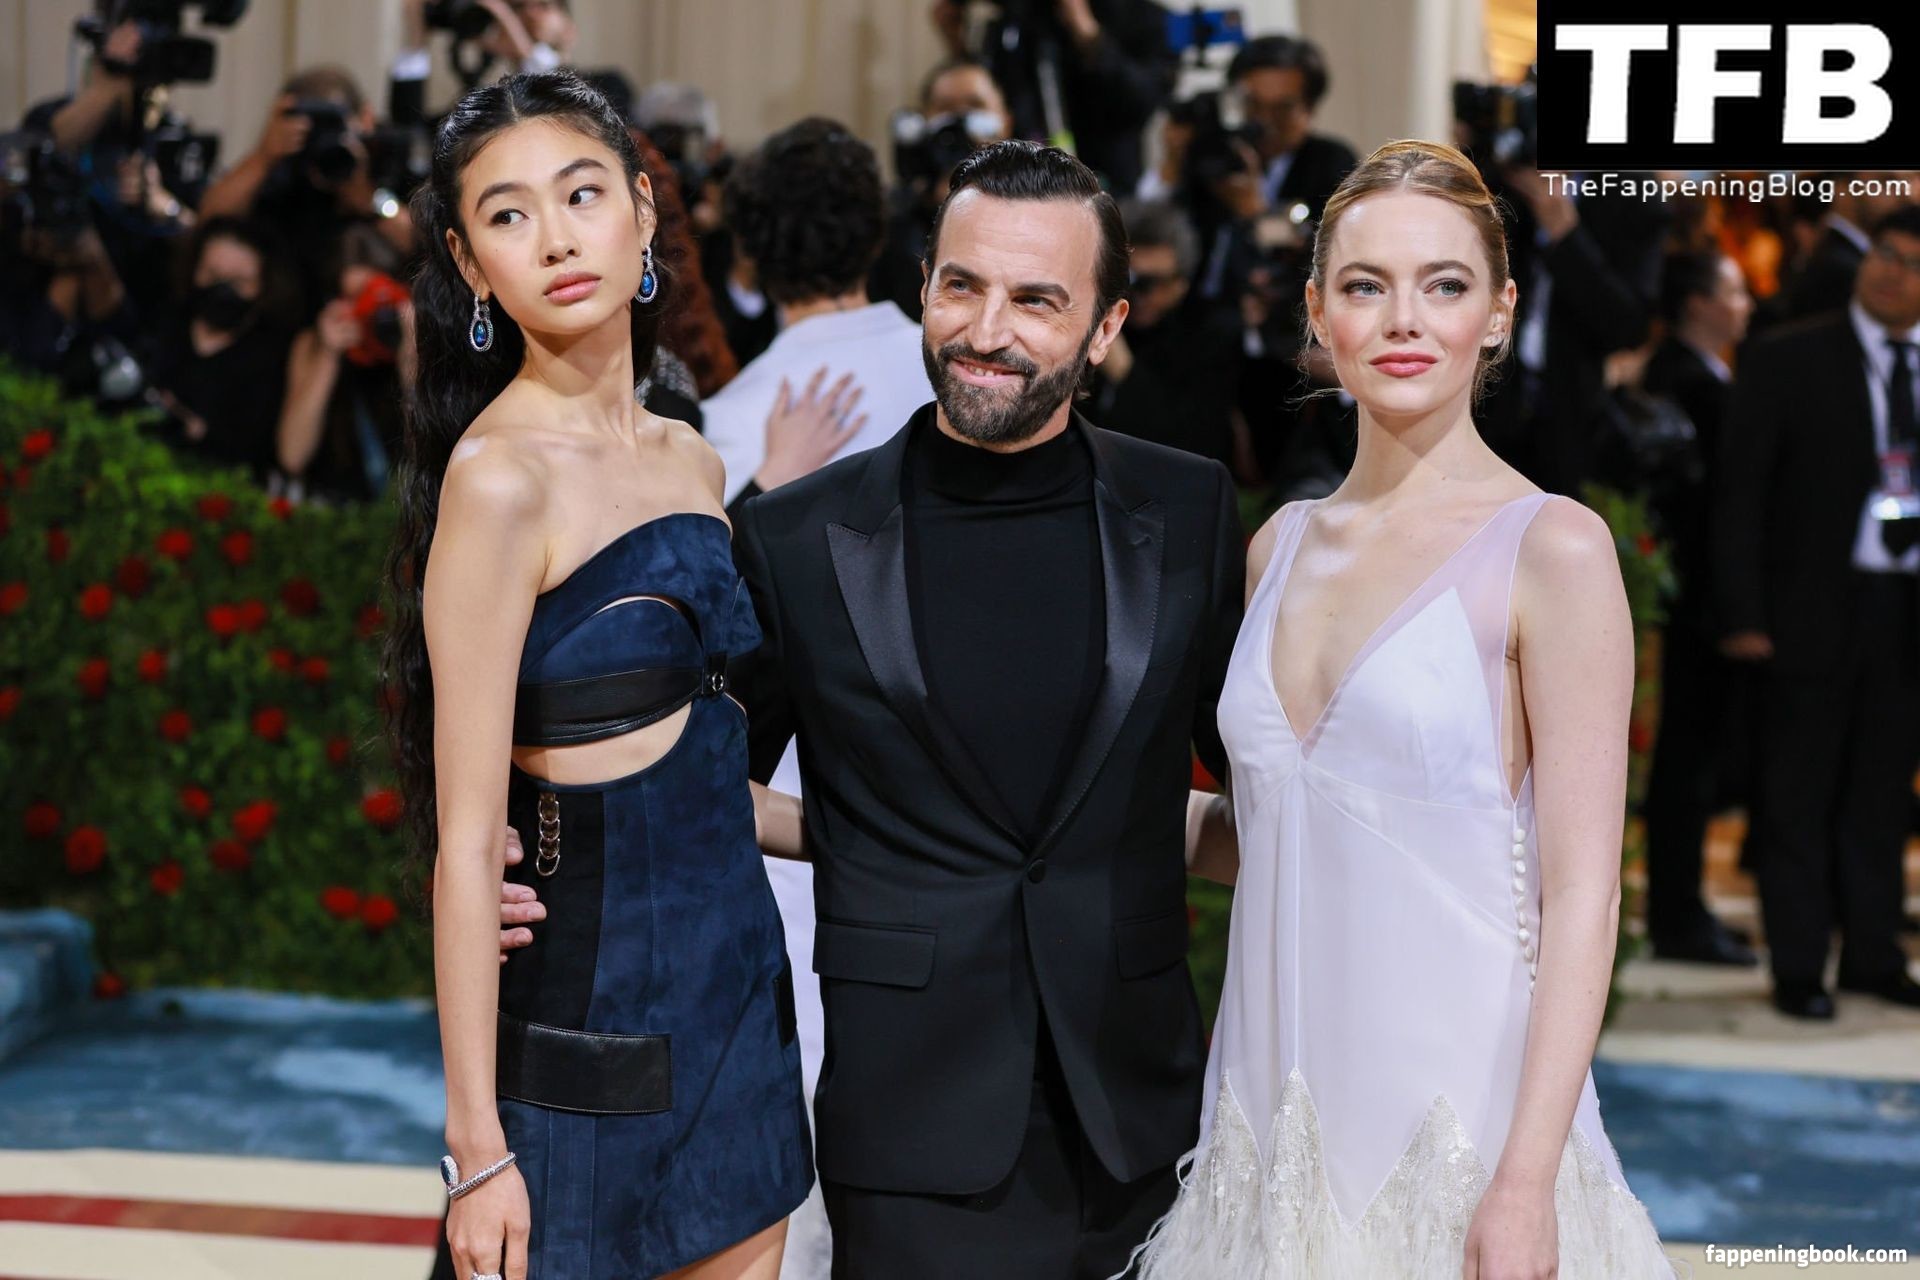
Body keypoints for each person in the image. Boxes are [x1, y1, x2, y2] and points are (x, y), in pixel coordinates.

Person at [502, 139, 1245, 1278]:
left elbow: (1254, 777)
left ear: (1105, 327)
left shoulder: (1186, 508)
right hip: (909, 1116)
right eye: (962, 285)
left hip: (1141, 1108)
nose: (986, 329)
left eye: (1036, 300)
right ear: (923, 288)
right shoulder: (799, 537)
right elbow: (692, 777)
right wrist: (522, 858)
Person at [1129, 140, 1673, 1278]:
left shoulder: (1553, 549)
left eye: (1445, 284)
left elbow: (1582, 892)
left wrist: (1524, 1182)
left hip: (1467, 1151)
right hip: (1264, 1149)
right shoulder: (1279, 546)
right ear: (1319, 313)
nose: (1403, 320)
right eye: (1367, 285)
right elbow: (1275, 830)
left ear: (1498, 314)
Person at [385, 70, 810, 1280]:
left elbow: (699, 774)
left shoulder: (692, 459)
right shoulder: (498, 482)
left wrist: (903, 831)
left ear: (641, 211)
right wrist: (476, 1147)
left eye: (581, 194)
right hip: (584, 1039)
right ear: (471, 266)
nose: (557, 238)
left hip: (740, 1011)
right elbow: (471, 840)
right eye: (508, 214)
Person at [1714, 205, 1920, 1019]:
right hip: (1808, 605)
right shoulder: (1788, 355)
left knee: (1882, 792)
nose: (1891, 272)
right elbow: (1740, 493)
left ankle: (1873, 954)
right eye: (1885, 254)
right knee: (1796, 792)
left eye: (1911, 262)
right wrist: (1742, 611)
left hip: (1906, 610)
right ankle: (1800, 966)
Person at [703, 119, 930, 512]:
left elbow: (715, 549)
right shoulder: (947, 367)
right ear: (877, 232)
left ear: (749, 250)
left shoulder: (733, 416)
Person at [1638, 249, 1757, 966]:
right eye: (1734, 291)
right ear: (1698, 304)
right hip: (1695, 603)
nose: (1746, 304)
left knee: (1690, 760)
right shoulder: (1689, 384)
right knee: (1687, 761)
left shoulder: (1693, 376)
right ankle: (1678, 915)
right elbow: (1716, 509)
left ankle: (1682, 909)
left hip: (1693, 598)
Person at [931, 0, 1175, 192]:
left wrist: (1088, 33)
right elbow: (993, 97)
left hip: (1106, 181)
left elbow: (1141, 100)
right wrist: (958, 44)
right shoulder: (1020, 18)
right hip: (1016, 180)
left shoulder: (1143, 16)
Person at [1089, 198, 1243, 469]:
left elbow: (1196, 444)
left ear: (1181, 283)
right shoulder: (1097, 321)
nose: (1138, 295)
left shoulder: (1210, 336)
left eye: (1152, 283)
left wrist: (1124, 372)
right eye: (1128, 280)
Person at [147, 217, 299, 483]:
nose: (223, 291)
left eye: (238, 282)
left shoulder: (273, 355)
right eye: (213, 275)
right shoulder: (166, 319)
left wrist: (196, 431)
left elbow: (256, 451)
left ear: (264, 286)